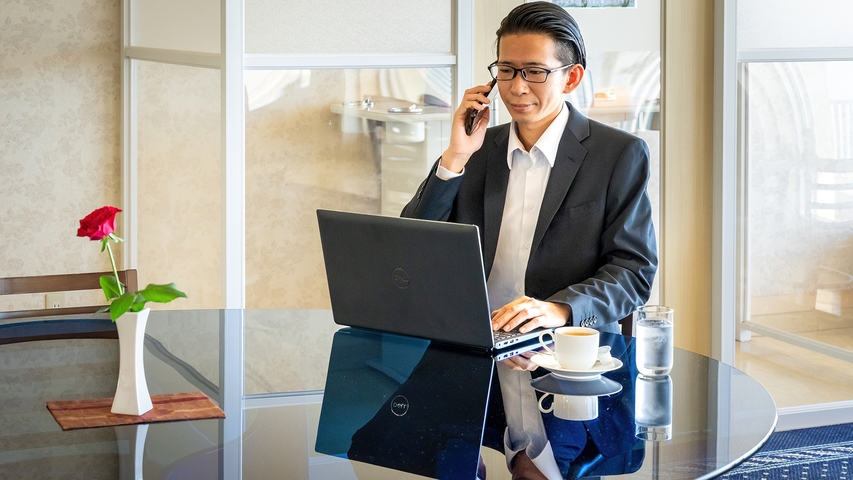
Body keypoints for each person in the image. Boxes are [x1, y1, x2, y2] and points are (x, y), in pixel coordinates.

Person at [401, 1, 656, 339]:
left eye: (535, 72)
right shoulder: (473, 150)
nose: (517, 87)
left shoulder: (618, 155)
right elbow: (410, 247)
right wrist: (455, 157)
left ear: (572, 78)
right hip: (473, 341)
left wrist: (560, 309)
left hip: (565, 349)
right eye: (506, 70)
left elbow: (633, 271)